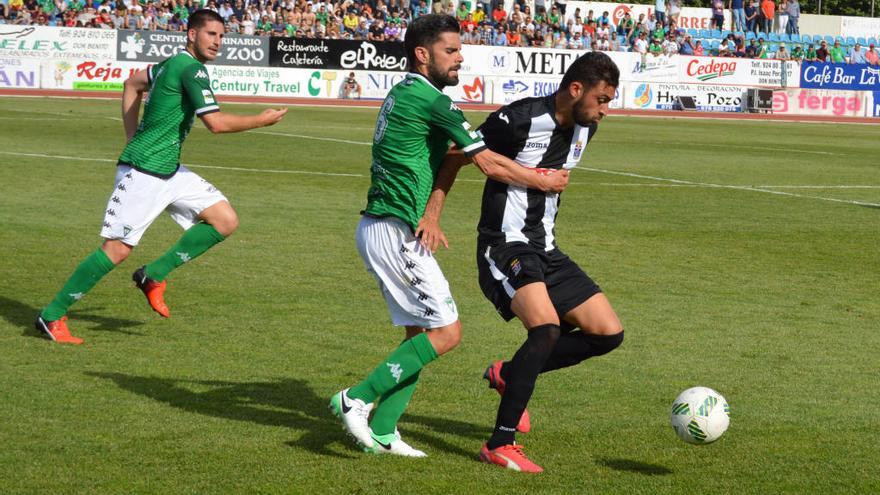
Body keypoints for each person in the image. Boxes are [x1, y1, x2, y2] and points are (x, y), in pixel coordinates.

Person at [328, 13, 569, 458]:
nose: (461, 58)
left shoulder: (407, 93)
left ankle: (383, 429)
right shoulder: (434, 102)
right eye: (451, 51)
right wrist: (543, 181)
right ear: (423, 55)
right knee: (447, 332)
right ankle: (356, 398)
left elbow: (453, 153)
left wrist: (433, 211)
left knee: (417, 335)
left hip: (389, 225)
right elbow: (488, 162)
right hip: (393, 228)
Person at [34, 9, 287, 345]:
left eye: (222, 36)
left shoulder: (169, 63)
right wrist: (262, 120)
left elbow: (131, 84)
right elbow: (216, 124)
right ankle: (52, 315)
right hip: (143, 172)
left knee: (224, 219)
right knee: (116, 249)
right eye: (211, 34)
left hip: (167, 169)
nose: (218, 42)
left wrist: (130, 136)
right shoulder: (191, 69)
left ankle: (153, 275)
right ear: (191, 34)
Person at [468, 51, 623, 473]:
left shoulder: (585, 129)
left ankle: (509, 373)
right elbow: (459, 151)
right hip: (505, 245)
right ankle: (499, 443)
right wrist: (430, 214)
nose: (606, 111)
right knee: (547, 330)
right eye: (602, 100)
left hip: (548, 250)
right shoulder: (519, 118)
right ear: (576, 90)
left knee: (607, 334)